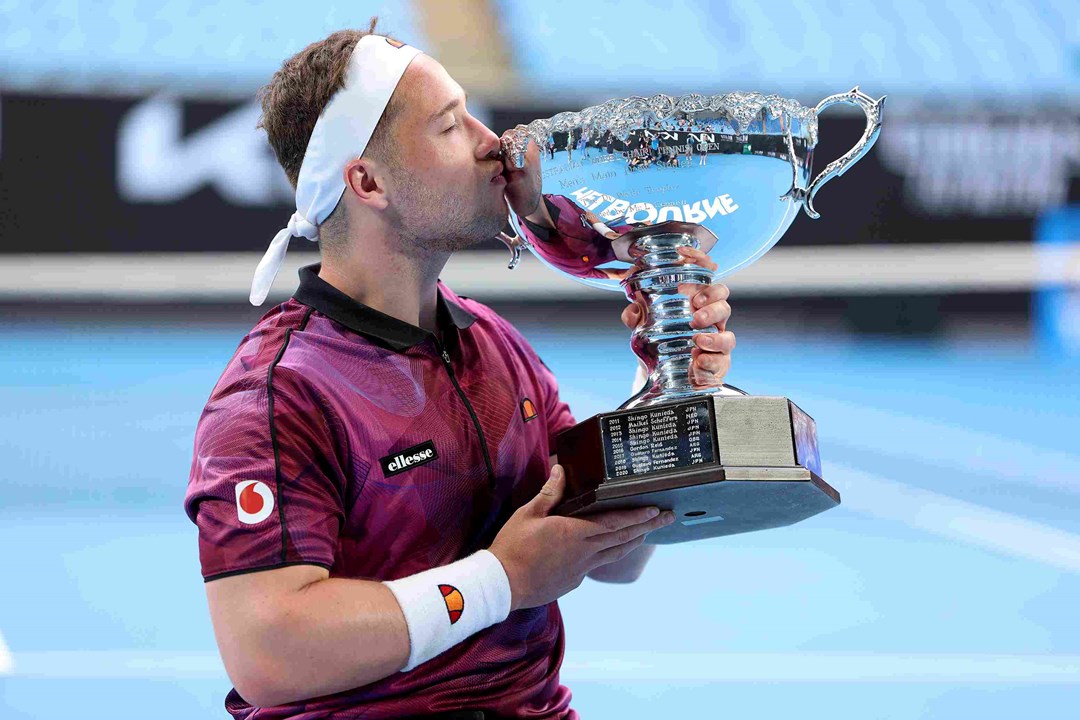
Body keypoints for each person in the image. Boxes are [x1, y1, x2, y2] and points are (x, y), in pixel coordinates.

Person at [184, 22, 736, 720]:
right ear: (367, 180)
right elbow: (268, 654)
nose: (491, 141)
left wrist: (671, 368)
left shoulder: (495, 344)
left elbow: (612, 553)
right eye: (450, 125)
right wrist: (500, 580)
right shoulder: (278, 392)